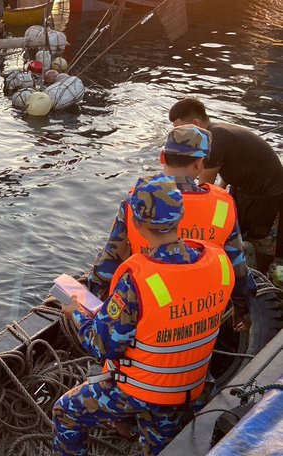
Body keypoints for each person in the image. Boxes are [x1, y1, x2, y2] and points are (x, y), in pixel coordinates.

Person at [53, 174, 236, 455]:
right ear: (180, 214)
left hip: (142, 391)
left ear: (137, 223)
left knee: (65, 412)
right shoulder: (220, 262)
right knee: (159, 445)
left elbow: (104, 346)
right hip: (193, 386)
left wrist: (75, 313)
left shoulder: (136, 279)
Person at [88, 125, 255, 332]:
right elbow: (236, 264)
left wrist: (92, 297)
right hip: (204, 304)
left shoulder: (137, 201)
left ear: (162, 157)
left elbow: (111, 259)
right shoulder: (223, 205)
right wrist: (243, 309)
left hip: (149, 303)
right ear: (199, 164)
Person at [169, 97, 283, 273]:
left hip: (266, 193)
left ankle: (261, 276)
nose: (177, 135)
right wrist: (223, 193)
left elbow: (202, 188)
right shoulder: (218, 131)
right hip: (243, 187)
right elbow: (228, 170)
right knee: (235, 227)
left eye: (179, 129)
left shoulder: (213, 140)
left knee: (261, 239)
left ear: (196, 123)